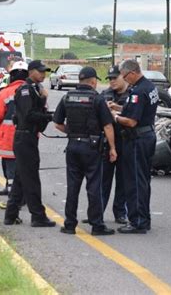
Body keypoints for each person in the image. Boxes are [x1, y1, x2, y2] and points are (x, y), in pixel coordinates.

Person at [53, 66, 117, 236]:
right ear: (93, 81)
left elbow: (57, 123)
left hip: (73, 146)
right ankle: (97, 225)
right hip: (92, 147)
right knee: (94, 186)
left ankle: (69, 225)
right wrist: (112, 148)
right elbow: (108, 125)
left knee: (72, 187)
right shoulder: (97, 99)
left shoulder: (67, 97)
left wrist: (73, 133)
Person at [4, 60, 55, 227]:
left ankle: (10, 215)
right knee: (31, 179)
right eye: (40, 71)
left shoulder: (35, 89)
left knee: (20, 178)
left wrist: (42, 100)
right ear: (31, 71)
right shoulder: (26, 89)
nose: (43, 74)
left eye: (45, 71)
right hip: (25, 137)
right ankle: (38, 216)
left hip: (28, 138)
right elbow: (28, 115)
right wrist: (48, 116)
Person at [111, 59, 159, 234]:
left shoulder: (138, 91)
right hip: (147, 136)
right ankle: (143, 218)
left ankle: (138, 221)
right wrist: (118, 107)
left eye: (125, 77)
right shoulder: (149, 86)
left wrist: (114, 117)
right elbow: (135, 109)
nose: (125, 80)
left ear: (131, 73)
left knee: (135, 182)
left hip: (137, 139)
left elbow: (131, 121)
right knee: (143, 180)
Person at [0, 61, 27, 201]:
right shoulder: (35, 92)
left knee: (10, 168)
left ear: (12, 76)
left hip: (9, 138)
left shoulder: (5, 93)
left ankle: (14, 199)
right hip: (29, 138)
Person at [100, 65, 129, 225]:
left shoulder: (132, 94)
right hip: (107, 142)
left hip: (125, 141)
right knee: (103, 179)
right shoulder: (105, 94)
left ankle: (120, 212)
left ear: (123, 76)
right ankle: (98, 212)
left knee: (123, 179)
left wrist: (118, 109)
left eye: (114, 78)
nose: (111, 81)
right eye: (109, 79)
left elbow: (136, 113)